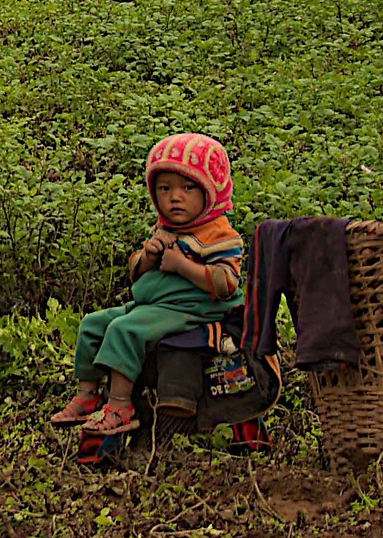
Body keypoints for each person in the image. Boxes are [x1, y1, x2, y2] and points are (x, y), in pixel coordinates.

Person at [52, 133, 244, 436]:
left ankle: (119, 405)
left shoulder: (218, 234)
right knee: (92, 324)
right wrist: (148, 256)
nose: (175, 197)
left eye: (188, 188)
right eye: (165, 189)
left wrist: (183, 266)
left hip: (191, 309)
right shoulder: (165, 227)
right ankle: (87, 394)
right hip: (154, 304)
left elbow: (226, 284)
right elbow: (137, 273)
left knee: (124, 329)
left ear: (210, 193)